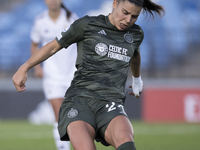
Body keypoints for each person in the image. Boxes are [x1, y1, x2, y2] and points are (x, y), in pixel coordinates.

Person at [12, 0, 165, 150]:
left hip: (111, 104)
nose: (128, 20)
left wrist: (137, 79)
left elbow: (135, 56)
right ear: (115, 3)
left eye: (134, 16)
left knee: (127, 143)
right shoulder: (87, 24)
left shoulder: (136, 34)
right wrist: (24, 67)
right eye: (125, 13)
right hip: (79, 102)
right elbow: (53, 46)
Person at [29, 0, 78, 150]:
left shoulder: (71, 19)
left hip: (72, 74)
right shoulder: (40, 21)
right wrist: (37, 67)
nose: (53, 1)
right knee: (59, 117)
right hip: (52, 76)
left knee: (75, 117)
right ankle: (63, 148)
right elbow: (34, 45)